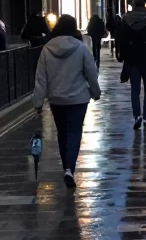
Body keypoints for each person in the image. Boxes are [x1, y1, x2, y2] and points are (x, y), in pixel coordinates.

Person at [31, 13, 101, 188]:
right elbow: (91, 72)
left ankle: (66, 168)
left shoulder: (47, 49)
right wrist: (95, 91)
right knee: (75, 132)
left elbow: (41, 78)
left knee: (62, 133)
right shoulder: (81, 47)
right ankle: (70, 168)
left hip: (56, 99)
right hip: (78, 98)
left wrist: (38, 102)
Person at [116, 0, 146, 130]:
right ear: (144, 6)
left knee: (134, 90)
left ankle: (137, 116)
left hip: (132, 60)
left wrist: (122, 55)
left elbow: (121, 40)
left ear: (133, 6)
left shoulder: (126, 20)